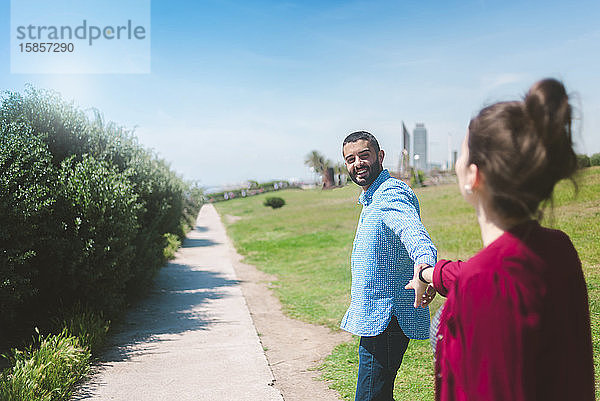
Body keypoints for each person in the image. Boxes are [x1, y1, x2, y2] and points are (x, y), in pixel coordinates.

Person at [406, 78, 595, 400]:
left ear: (473, 176)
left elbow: (486, 282)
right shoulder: (557, 247)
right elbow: (487, 276)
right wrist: (429, 273)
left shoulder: (486, 283)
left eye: (462, 153)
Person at [340, 131, 437, 401]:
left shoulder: (390, 193)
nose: (357, 163)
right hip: (376, 318)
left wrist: (425, 269)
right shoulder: (372, 198)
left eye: (364, 155)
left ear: (380, 156)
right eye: (350, 159)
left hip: (387, 318)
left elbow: (415, 235)